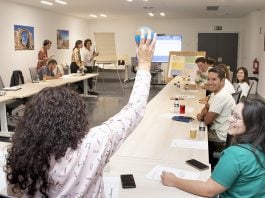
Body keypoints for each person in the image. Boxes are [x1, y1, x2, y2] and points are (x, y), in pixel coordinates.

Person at [5, 31, 156, 197]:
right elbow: (135, 109)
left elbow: (13, 193)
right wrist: (144, 62)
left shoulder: (21, 156)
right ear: (76, 117)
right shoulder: (94, 144)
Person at [161, 98, 265, 197]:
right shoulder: (259, 147)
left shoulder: (236, 154)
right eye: (232, 114)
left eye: (237, 117)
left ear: (253, 125)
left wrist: (174, 181)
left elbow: (209, 190)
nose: (230, 119)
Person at [197, 67, 235, 141]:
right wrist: (205, 112)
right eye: (208, 79)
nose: (210, 83)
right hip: (215, 131)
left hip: (219, 137)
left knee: (194, 136)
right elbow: (203, 114)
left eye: (214, 79)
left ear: (222, 81)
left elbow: (206, 121)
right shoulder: (214, 94)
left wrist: (205, 113)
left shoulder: (221, 96)